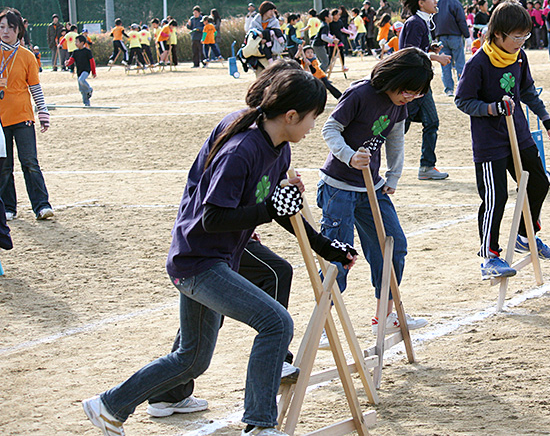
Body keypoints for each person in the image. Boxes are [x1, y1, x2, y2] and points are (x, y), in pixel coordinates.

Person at [83, 68, 357, 436]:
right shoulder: (242, 150)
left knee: (192, 359)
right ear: (291, 116)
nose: (312, 127)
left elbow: (278, 207)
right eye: (312, 118)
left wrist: (323, 244)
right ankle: (259, 424)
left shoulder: (279, 148)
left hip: (218, 257)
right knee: (276, 323)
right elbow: (213, 218)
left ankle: (109, 405)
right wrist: (268, 208)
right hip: (198, 262)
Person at [316, 48, 431, 337]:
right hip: (338, 187)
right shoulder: (360, 94)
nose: (409, 98)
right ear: (393, 78)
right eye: (407, 91)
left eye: (416, 94)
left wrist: (393, 175)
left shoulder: (400, 106)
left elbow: (395, 139)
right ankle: (322, 323)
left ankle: (385, 315)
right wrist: (349, 155)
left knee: (394, 245)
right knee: (338, 257)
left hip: (372, 187)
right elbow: (330, 129)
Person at [454, 0, 550, 279]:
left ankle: (526, 234)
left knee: (539, 181)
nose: (521, 42)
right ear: (498, 34)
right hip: (491, 142)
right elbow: (462, 100)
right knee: (495, 197)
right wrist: (491, 108)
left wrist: (546, 119)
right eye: (516, 37)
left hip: (519, 134)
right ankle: (490, 256)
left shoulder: (519, 57)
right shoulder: (478, 63)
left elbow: (528, 91)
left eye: (525, 36)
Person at [0, 8, 54, 221]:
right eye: (1, 27)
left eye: (10, 28)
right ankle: (8, 208)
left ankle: (42, 206)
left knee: (30, 162)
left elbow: (35, 87)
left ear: (19, 30)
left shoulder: (27, 56)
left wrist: (43, 112)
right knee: (4, 166)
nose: (5, 32)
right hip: (0, 120)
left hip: (23, 117)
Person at [397, 0, 451, 181]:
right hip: (412, 84)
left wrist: (430, 49)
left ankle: (427, 166)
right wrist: (436, 57)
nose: (436, 2)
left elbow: (417, 49)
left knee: (428, 122)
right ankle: (368, 157)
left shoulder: (423, 22)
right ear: (421, 3)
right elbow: (409, 52)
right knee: (400, 127)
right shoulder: (415, 23)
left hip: (420, 83)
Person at [434, 0, 469, 97]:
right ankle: (462, 88)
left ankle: (448, 89)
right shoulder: (455, 3)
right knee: (460, 63)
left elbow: (432, 21)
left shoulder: (436, 3)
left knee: (445, 64)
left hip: (440, 37)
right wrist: (467, 35)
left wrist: (433, 37)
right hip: (455, 36)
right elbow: (461, 20)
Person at [65, 35, 95, 106]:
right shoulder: (75, 52)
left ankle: (89, 89)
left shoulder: (87, 51)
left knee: (81, 80)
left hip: (86, 70)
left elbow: (92, 62)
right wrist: (67, 63)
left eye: (77, 42)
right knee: (82, 89)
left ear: (82, 43)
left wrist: (93, 72)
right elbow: (71, 60)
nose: (75, 43)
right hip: (79, 71)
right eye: (75, 42)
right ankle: (86, 103)